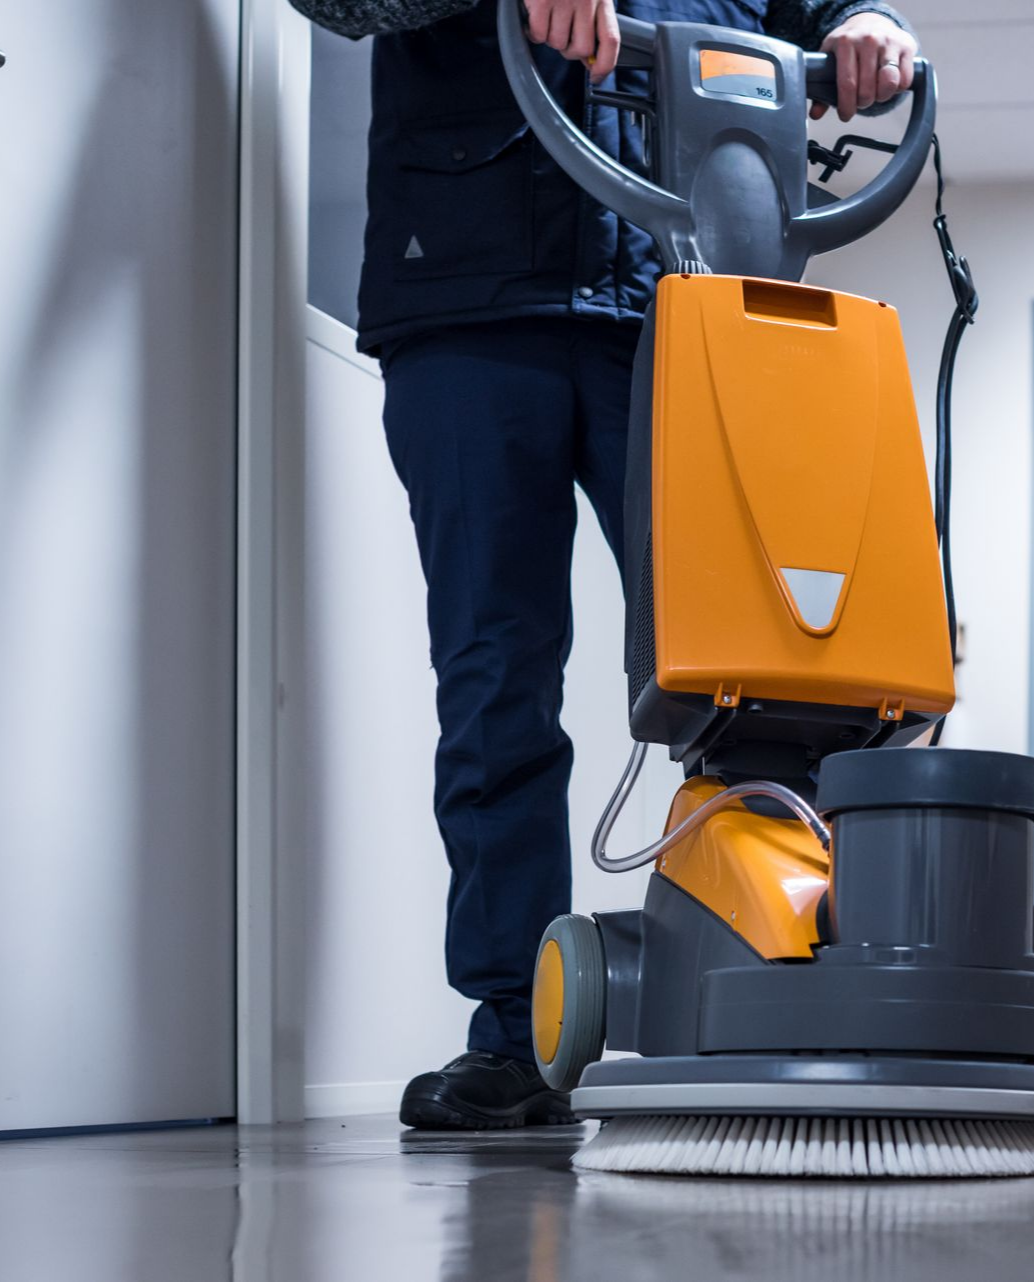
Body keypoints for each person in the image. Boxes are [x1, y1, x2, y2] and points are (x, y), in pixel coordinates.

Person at [293, 0, 917, 1129]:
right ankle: (514, 1035)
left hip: (679, 309)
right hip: (468, 311)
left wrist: (866, 25)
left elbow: (818, 12)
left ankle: (780, 991)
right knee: (497, 676)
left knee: (767, 671)